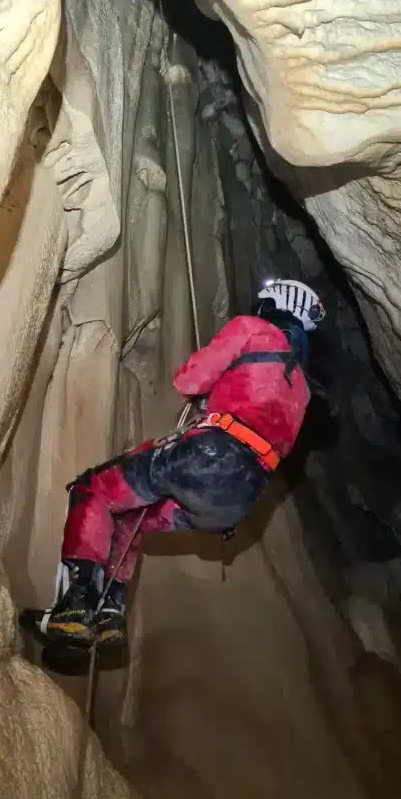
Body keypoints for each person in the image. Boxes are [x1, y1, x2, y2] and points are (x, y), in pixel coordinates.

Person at [19, 279, 325, 651]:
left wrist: (210, 397)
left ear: (272, 307)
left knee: (94, 490)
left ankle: (77, 604)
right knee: (130, 518)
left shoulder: (252, 329)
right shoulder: (303, 391)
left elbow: (188, 379)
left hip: (205, 458)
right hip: (238, 503)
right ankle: (110, 613)